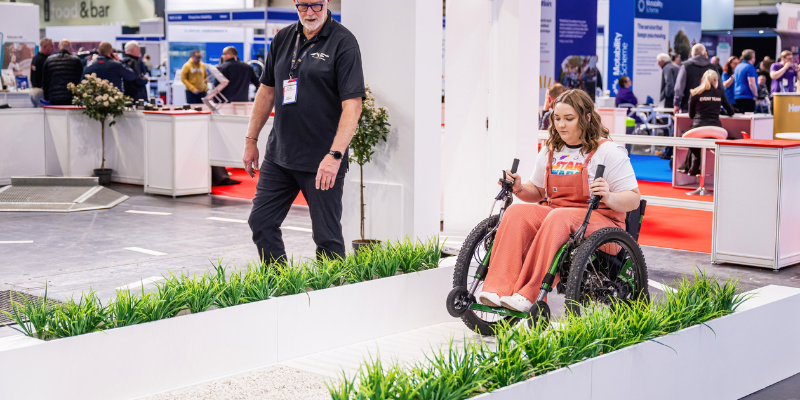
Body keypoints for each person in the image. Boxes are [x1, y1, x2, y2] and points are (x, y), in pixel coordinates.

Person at [476, 89, 640, 312]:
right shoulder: (551, 150)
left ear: (587, 117)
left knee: (558, 216)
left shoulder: (608, 152)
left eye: (569, 119)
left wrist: (609, 196)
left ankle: (529, 293)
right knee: (516, 213)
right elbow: (537, 191)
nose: (561, 125)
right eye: (557, 118)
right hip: (558, 215)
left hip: (602, 223)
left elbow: (633, 200)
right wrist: (519, 188)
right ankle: (497, 288)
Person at [242, 0, 365, 262]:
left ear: (327, 3)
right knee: (261, 222)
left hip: (322, 160)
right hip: (280, 156)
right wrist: (251, 139)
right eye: (303, 6)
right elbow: (266, 91)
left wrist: (335, 156)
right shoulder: (283, 38)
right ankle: (281, 284)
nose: (310, 13)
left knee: (327, 238)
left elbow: (353, 106)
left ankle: (332, 296)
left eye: (316, 5)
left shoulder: (343, 42)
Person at [679, 70, 735, 176]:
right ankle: (696, 167)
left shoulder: (695, 93)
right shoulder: (719, 93)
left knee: (693, 139)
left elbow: (691, 115)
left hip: (698, 129)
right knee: (699, 141)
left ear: (702, 80)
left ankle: (693, 164)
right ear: (715, 81)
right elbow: (731, 112)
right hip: (716, 130)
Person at [673, 44, 714, 113]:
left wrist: (676, 103)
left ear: (692, 53)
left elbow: (679, 87)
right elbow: (719, 88)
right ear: (704, 53)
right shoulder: (713, 68)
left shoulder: (686, 66)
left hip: (688, 106)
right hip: (708, 106)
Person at [42, 40, 84, 106]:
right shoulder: (76, 61)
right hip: (71, 98)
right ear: (70, 48)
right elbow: (81, 80)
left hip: (54, 97)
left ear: (59, 47)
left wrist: (47, 98)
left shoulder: (49, 61)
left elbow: (45, 82)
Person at [30, 38, 55, 107]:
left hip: (33, 91)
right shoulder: (44, 60)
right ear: (45, 46)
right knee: (44, 114)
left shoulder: (35, 58)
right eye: (52, 46)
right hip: (40, 92)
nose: (53, 49)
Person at [733, 49, 759, 113]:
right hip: (748, 96)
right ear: (752, 58)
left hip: (737, 96)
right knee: (748, 119)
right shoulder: (750, 67)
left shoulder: (738, 67)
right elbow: (751, 83)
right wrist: (755, 95)